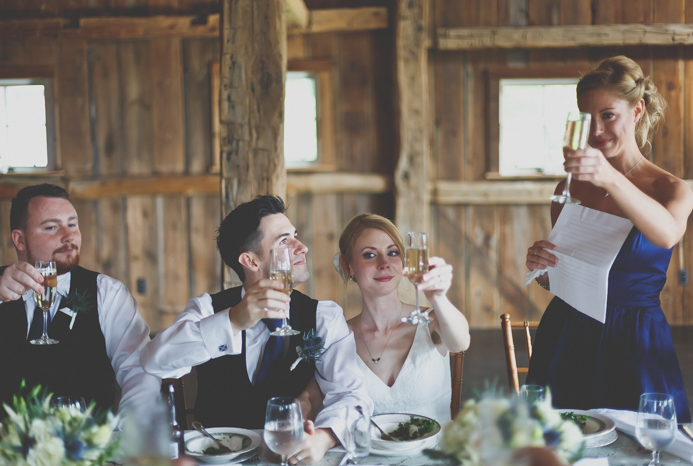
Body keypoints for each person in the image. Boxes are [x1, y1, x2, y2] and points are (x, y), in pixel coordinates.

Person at [140, 195, 372, 465]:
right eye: (284, 241)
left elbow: (352, 395)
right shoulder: (208, 309)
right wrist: (233, 321)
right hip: (216, 459)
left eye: (295, 235)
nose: (303, 247)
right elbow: (154, 362)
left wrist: (324, 437)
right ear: (250, 261)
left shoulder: (323, 317)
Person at [525, 56, 693, 422]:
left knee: (644, 445)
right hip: (568, 332)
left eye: (608, 115)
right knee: (561, 443)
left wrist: (611, 179)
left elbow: (666, 235)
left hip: (634, 338)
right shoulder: (568, 188)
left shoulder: (672, 189)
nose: (596, 130)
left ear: (637, 111)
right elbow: (560, 279)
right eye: (587, 118)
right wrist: (542, 269)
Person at [0, 183, 160, 420]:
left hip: (84, 449)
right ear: (19, 240)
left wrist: (126, 432)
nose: (69, 236)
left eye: (72, 224)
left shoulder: (107, 293)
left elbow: (138, 368)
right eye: (52, 227)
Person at [335, 214, 470, 427]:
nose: (384, 263)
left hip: (433, 456)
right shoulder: (338, 335)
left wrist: (438, 297)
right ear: (347, 265)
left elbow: (460, 342)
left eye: (393, 253)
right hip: (368, 458)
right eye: (369, 255)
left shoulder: (432, 319)